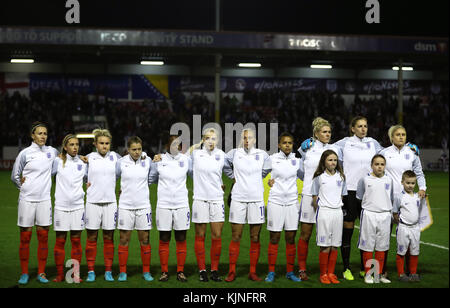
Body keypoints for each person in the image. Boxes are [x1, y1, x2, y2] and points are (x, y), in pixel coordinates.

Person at [11, 121, 58, 284]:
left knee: (43, 236)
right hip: (27, 200)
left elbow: (59, 166)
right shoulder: (25, 153)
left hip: (44, 199)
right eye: (39, 133)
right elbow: (15, 175)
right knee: (25, 236)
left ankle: (41, 273)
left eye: (45, 133)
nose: (43, 136)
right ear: (33, 135)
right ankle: (24, 273)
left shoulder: (52, 152)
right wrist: (23, 187)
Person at [223, 128, 271, 282]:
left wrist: (256, 180)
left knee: (255, 237)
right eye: (244, 138)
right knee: (236, 236)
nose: (247, 140)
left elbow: (266, 170)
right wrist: (233, 177)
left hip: (256, 199)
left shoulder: (262, 154)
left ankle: (252, 271)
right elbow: (223, 164)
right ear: (241, 139)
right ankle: (231, 271)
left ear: (254, 140)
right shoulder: (234, 153)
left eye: (249, 138)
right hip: (238, 198)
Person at [380, 125, 426, 279]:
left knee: (408, 234)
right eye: (398, 135)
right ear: (391, 137)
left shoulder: (411, 153)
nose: (401, 137)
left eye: (403, 134)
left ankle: (408, 271)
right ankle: (383, 268)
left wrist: (423, 188)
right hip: (389, 200)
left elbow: (419, 173)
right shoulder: (384, 153)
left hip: (408, 200)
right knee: (385, 236)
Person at [297, 117, 340, 281]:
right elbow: (298, 169)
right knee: (305, 233)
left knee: (330, 236)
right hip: (309, 195)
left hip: (329, 198)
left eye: (329, 132)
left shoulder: (335, 149)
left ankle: (328, 272)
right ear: (316, 133)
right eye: (324, 132)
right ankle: (302, 269)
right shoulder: (306, 147)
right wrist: (308, 182)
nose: (328, 134)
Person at [149, 135, 192, 282]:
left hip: (181, 204)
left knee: (181, 237)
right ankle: (165, 271)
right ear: (167, 145)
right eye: (173, 144)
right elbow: (150, 178)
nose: (175, 146)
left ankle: (180, 271)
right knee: (164, 238)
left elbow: (196, 176)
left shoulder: (186, 160)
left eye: (178, 144)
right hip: (164, 204)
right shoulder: (159, 160)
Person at [190, 128, 231, 282]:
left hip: (217, 199)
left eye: (213, 138)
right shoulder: (195, 154)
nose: (210, 141)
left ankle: (214, 270)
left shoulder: (222, 155)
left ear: (217, 140)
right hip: (200, 199)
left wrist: (231, 181)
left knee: (217, 235)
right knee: (200, 235)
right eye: (207, 138)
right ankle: (202, 270)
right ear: (203, 140)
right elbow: (181, 164)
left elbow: (231, 171)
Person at [264, 132, 302, 283]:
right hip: (276, 201)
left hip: (293, 202)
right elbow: (260, 173)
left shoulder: (297, 160)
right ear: (279, 145)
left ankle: (290, 272)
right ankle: (271, 271)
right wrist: (268, 181)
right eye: (284, 143)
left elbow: (307, 175)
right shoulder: (272, 159)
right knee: (274, 237)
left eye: (290, 143)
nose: (287, 145)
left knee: (291, 238)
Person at [84, 128, 121, 282]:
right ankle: (91, 271)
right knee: (91, 237)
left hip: (111, 203)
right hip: (92, 202)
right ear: (95, 144)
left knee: (109, 237)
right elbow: (77, 173)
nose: (104, 146)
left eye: (107, 143)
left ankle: (108, 271)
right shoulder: (87, 158)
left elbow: (126, 169)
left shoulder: (116, 158)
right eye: (101, 143)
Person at [116, 136, 153, 282]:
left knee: (144, 239)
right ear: (128, 149)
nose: (137, 152)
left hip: (143, 206)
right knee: (124, 238)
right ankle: (123, 272)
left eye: (139, 149)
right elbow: (114, 177)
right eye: (133, 149)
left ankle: (146, 271)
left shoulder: (148, 160)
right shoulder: (120, 162)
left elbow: (153, 177)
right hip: (125, 206)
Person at [51, 134, 87, 282]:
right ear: (65, 147)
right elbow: (46, 176)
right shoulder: (57, 161)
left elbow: (89, 180)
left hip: (78, 206)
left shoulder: (84, 162)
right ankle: (60, 275)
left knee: (76, 241)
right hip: (61, 206)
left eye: (77, 144)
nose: (75, 147)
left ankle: (75, 274)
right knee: (60, 241)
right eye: (71, 145)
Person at [311, 150, 347, 284]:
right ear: (324, 162)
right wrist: (321, 209)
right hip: (324, 213)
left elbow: (342, 196)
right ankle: (323, 274)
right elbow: (314, 198)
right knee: (325, 245)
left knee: (335, 245)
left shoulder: (341, 177)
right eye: (330, 160)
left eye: (335, 160)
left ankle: (331, 273)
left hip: (337, 212)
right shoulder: (319, 177)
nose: (333, 162)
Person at [356, 154, 393, 284]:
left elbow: (391, 197)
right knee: (368, 245)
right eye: (376, 164)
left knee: (381, 246)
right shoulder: (365, 179)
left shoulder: (389, 180)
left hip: (385, 215)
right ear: (371, 165)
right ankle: (368, 274)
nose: (379, 167)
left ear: (385, 166)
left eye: (382, 164)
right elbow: (360, 196)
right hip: (369, 214)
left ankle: (378, 275)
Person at [393, 170, 424, 282]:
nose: (410, 186)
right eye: (408, 183)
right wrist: (400, 223)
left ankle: (413, 273)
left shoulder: (417, 196)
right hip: (403, 228)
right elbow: (395, 213)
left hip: (415, 228)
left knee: (415, 251)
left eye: (413, 183)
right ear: (402, 182)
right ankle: (401, 274)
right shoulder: (399, 197)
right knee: (401, 250)